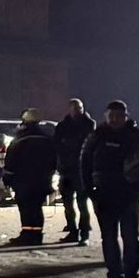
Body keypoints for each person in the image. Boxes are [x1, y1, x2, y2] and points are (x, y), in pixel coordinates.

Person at [79, 99, 139, 278]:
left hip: (129, 194)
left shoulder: (138, 136)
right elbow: (84, 161)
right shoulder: (97, 135)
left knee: (130, 237)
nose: (115, 119)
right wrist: (88, 189)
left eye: (119, 116)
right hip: (104, 194)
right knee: (109, 238)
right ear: (106, 116)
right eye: (111, 116)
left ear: (126, 116)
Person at [2, 109, 58, 245]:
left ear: (25, 121)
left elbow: (11, 161)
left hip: (23, 181)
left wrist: (7, 178)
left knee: (26, 208)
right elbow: (54, 160)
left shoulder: (20, 140)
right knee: (37, 207)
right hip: (41, 181)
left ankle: (27, 234)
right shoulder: (47, 138)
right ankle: (37, 235)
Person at [53, 98, 94, 244]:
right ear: (69, 109)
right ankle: (72, 230)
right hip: (67, 169)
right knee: (67, 203)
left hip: (82, 170)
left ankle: (84, 233)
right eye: (75, 107)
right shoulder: (63, 126)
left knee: (82, 203)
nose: (77, 110)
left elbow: (91, 146)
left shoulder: (89, 125)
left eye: (80, 107)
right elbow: (56, 145)